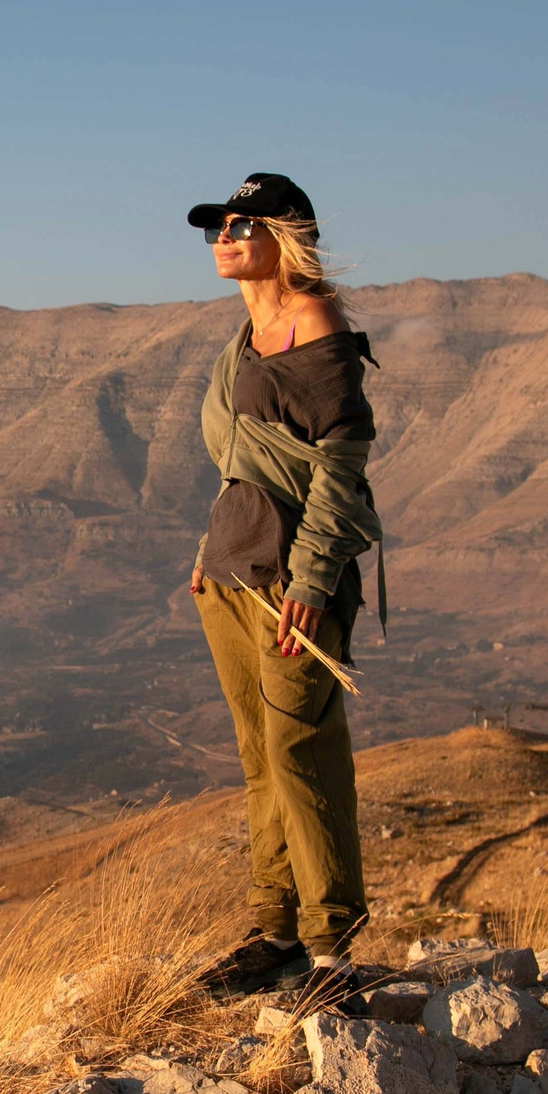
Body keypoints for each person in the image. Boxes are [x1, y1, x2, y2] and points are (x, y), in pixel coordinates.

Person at [180, 173, 381, 1001]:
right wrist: (207, 552)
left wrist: (311, 577)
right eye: (214, 227)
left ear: (283, 234)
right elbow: (244, 464)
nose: (222, 237)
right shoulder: (245, 332)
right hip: (231, 576)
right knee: (261, 759)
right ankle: (276, 933)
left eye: (239, 224)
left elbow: (339, 465)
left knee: (304, 752)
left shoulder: (316, 323)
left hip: (291, 584)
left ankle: (334, 946)